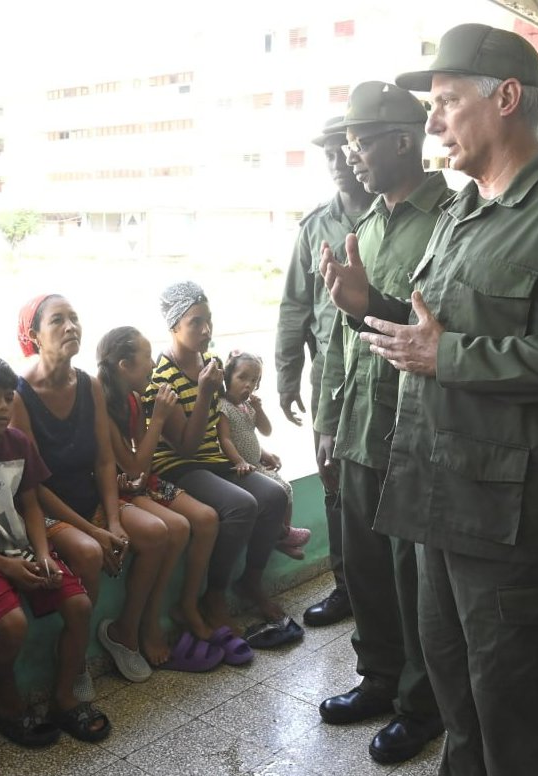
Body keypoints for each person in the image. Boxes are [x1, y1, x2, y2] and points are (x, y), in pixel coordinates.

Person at [325, 23, 538, 776]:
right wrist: (369, 309)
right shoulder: (464, 211)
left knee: (507, 683)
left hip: (510, 502)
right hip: (435, 480)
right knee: (451, 665)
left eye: (446, 103)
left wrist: (447, 352)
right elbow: (436, 336)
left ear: (506, 99)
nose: (432, 123)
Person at [313, 81, 449, 767]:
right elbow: (345, 338)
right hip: (363, 428)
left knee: (413, 582)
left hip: (418, 435)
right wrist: (332, 420)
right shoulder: (363, 227)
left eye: (360, 140)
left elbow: (447, 333)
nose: (349, 154)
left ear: (402, 139)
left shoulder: (451, 220)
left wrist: (370, 304)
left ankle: (421, 706)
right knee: (365, 572)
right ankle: (378, 678)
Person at [11, 294, 171, 682]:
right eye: (57, 321)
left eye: (75, 318)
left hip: (90, 499)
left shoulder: (88, 385)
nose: (70, 327)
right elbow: (31, 483)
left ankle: (123, 632)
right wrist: (96, 532)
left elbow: (103, 460)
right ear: (35, 335)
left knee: (156, 533)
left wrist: (113, 521)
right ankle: (74, 656)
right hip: (46, 507)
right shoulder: (19, 396)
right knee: (87, 552)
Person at [0, 356, 110, 745]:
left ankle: (63, 698)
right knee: (13, 626)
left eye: (9, 397)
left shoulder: (18, 443)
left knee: (80, 606)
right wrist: (4, 566)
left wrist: (42, 554)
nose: (4, 407)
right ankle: (8, 703)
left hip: (23, 546)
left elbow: (32, 505)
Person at [145, 282, 295, 642]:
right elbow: (186, 447)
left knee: (274, 496)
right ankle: (213, 596)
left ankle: (250, 582)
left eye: (208, 321)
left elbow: (226, 420)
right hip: (180, 466)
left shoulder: (208, 363)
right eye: (195, 322)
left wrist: (253, 454)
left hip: (215, 460)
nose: (206, 330)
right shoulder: (162, 378)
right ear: (174, 326)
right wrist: (205, 393)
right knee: (242, 505)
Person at [275, 115, 376, 627]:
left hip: (392, 374)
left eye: (346, 151)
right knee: (335, 481)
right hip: (332, 381)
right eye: (329, 155)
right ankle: (347, 589)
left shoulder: (398, 214)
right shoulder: (316, 226)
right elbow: (295, 305)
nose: (339, 163)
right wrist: (286, 373)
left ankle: (388, 593)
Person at [96, 326, 241, 671]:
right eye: (146, 358)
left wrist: (143, 455)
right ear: (123, 365)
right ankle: (146, 623)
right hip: (113, 489)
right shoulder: (102, 403)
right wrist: (159, 418)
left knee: (205, 519)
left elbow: (139, 465)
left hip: (139, 482)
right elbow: (132, 466)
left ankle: (186, 606)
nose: (152, 365)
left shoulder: (133, 398)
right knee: (173, 527)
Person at [218, 351, 312, 559]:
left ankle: (282, 534)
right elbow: (225, 439)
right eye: (242, 377)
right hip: (240, 466)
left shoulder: (247, 407)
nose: (247, 385)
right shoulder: (223, 406)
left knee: (285, 487)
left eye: (253, 380)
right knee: (279, 490)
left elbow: (264, 431)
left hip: (255, 464)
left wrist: (259, 411)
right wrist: (239, 461)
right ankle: (282, 535)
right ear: (227, 376)